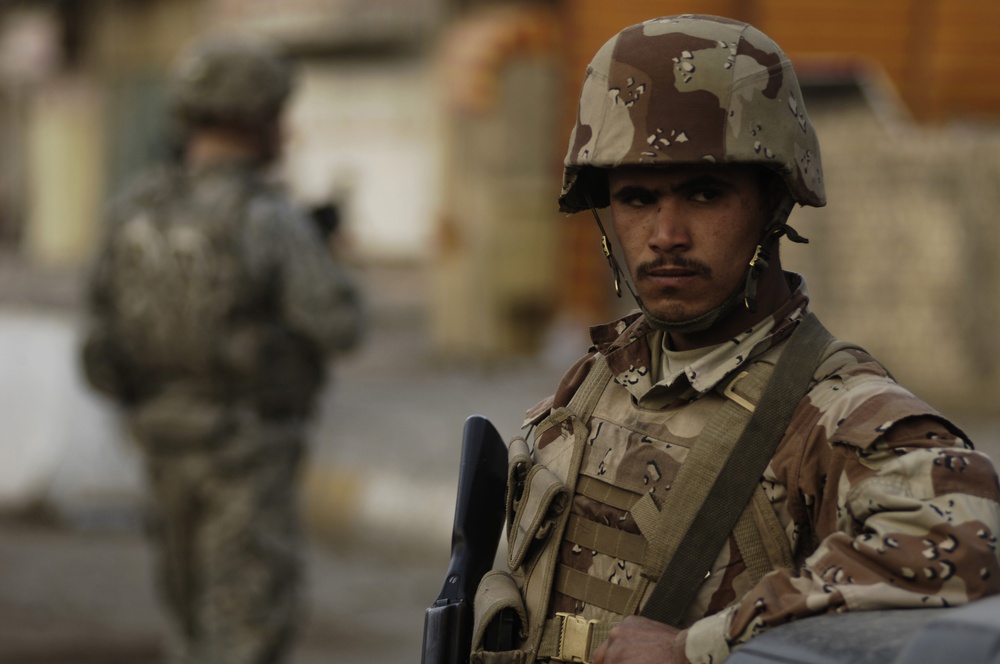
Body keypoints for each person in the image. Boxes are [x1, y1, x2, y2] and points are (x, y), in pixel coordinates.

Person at [467, 14, 1000, 664]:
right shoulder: (597, 379)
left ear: (774, 203)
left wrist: (701, 648)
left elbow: (969, 554)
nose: (666, 234)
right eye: (636, 199)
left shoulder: (840, 414)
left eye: (703, 193)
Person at [80, 36, 363, 664]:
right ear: (256, 119)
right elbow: (341, 324)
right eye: (278, 118)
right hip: (247, 458)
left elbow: (98, 352)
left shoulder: (132, 210)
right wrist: (329, 257)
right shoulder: (266, 217)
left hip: (162, 455)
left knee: (188, 629)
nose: (286, 133)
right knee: (246, 634)